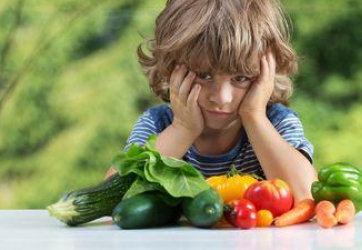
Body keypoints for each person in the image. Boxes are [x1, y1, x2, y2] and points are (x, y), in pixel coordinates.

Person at [106, 0, 317, 203]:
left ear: (266, 74)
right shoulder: (157, 124)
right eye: (205, 75)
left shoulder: (276, 122)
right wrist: (183, 129)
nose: (222, 98)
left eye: (241, 78)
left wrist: (254, 117)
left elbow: (306, 195)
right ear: (171, 69)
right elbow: (111, 198)